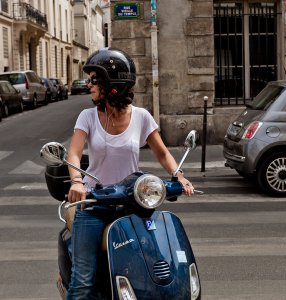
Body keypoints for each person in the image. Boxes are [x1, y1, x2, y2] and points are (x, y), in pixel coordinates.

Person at [66, 47, 194, 299]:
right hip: (94, 204)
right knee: (82, 283)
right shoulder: (87, 117)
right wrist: (78, 182)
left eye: (94, 79)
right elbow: (73, 154)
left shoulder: (142, 117)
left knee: (154, 266)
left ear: (112, 84)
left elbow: (162, 153)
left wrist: (179, 176)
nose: (89, 84)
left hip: (132, 202)